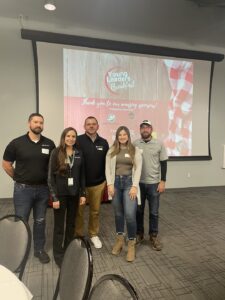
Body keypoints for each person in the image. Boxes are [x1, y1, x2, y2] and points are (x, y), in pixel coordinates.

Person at [2, 113, 55, 263]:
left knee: (40, 221)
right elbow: (6, 164)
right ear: (29, 124)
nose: (38, 125)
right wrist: (18, 178)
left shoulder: (49, 144)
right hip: (23, 190)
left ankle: (39, 249)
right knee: (21, 221)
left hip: (43, 190)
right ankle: (21, 251)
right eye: (36, 122)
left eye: (41, 122)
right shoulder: (16, 143)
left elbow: (52, 167)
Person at [48, 127, 86, 267]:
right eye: (68, 136)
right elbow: (50, 177)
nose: (71, 138)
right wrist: (54, 197)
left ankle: (68, 250)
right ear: (64, 137)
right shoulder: (56, 152)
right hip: (60, 195)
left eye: (73, 136)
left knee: (71, 224)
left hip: (74, 194)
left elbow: (82, 175)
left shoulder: (79, 153)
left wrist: (82, 194)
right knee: (59, 226)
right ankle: (58, 255)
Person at [105, 126, 142, 262]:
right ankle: (120, 240)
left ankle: (131, 244)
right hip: (115, 183)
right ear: (117, 136)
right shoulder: (112, 150)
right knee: (118, 214)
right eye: (119, 134)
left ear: (128, 136)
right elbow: (108, 169)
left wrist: (134, 186)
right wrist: (109, 184)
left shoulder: (134, 150)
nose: (122, 137)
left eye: (124, 134)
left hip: (129, 184)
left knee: (130, 215)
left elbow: (138, 169)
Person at [75, 116, 109, 249]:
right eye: (88, 124)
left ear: (98, 126)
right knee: (79, 212)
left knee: (95, 211)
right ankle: (78, 236)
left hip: (98, 184)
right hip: (81, 185)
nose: (91, 126)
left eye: (94, 124)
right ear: (84, 126)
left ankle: (93, 234)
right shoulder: (77, 140)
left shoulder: (104, 142)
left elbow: (108, 163)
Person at [134, 120, 168, 251]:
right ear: (140, 130)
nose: (145, 130)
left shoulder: (159, 143)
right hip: (139, 184)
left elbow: (164, 163)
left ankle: (153, 236)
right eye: (142, 127)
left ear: (151, 129)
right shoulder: (135, 143)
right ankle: (139, 234)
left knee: (154, 212)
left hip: (154, 184)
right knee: (138, 211)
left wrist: (163, 181)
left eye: (147, 127)